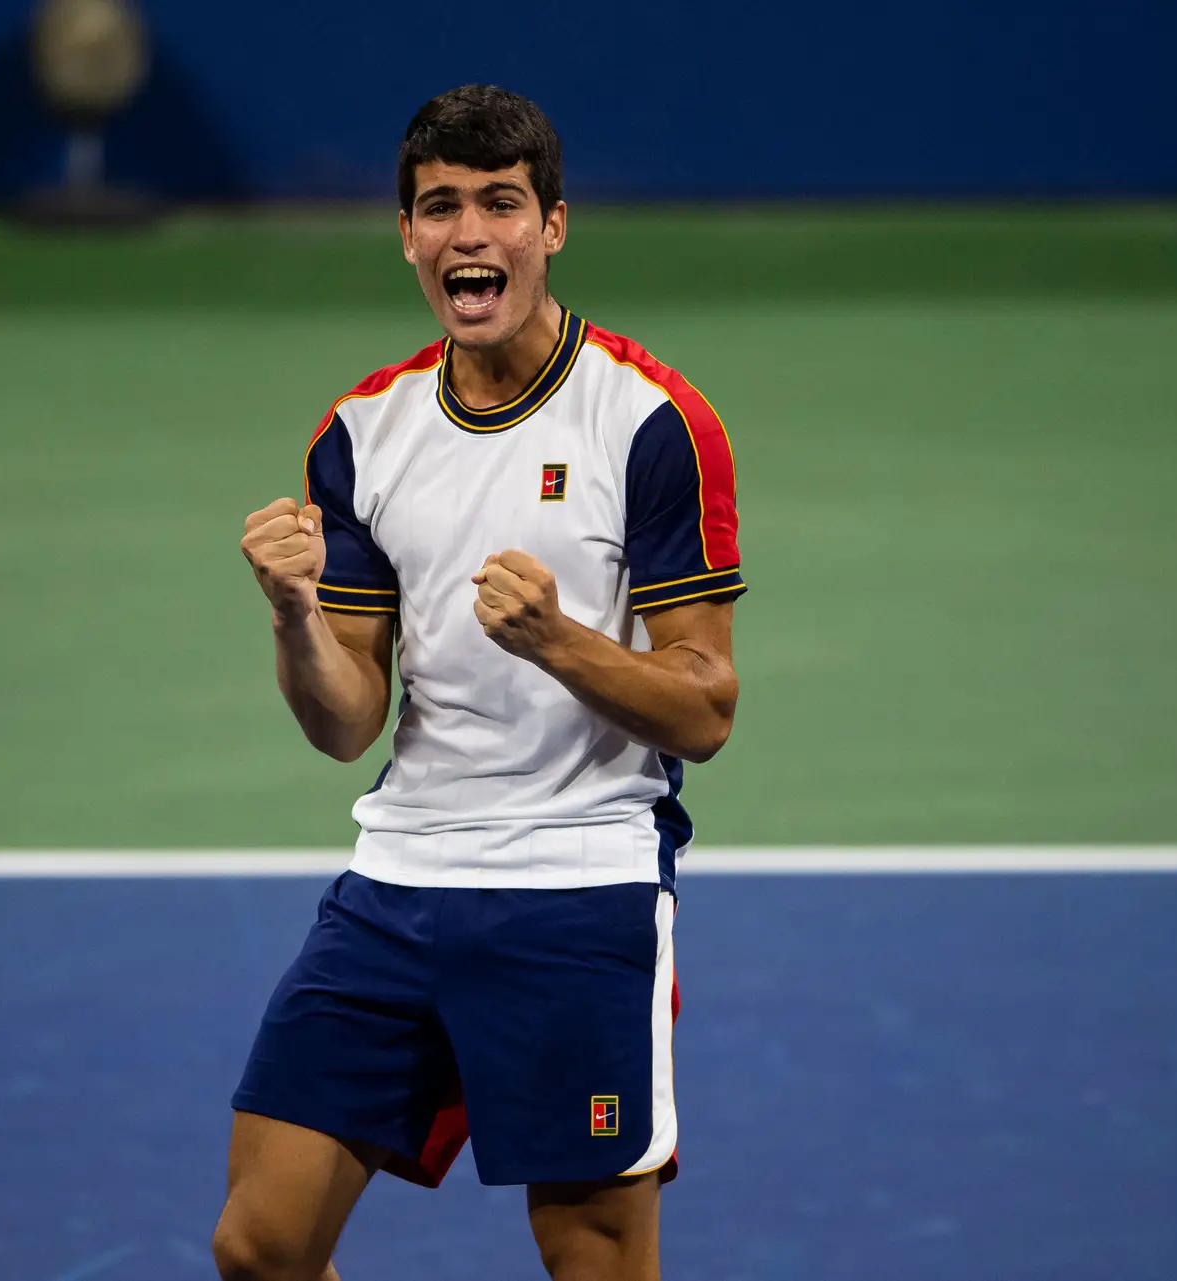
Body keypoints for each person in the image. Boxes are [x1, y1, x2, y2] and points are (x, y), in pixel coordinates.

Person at [216, 84, 743, 1281]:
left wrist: (559, 640)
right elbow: (347, 722)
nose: (470, 235)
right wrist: (296, 617)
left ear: (551, 227)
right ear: (407, 235)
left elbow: (706, 709)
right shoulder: (362, 433)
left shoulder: (652, 422)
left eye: (501, 205)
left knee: (594, 1258)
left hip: (580, 883)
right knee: (261, 1246)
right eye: (440, 207)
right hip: (397, 883)